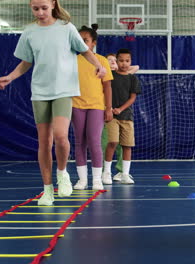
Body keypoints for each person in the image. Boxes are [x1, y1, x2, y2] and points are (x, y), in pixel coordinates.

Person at [0, 0, 106, 206]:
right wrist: (10, 77)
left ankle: (62, 172)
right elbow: (26, 62)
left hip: (64, 90)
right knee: (44, 143)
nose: (40, 12)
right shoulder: (29, 32)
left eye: (44, 8)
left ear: (53, 4)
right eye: (35, 9)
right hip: (40, 92)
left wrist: (99, 66)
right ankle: (47, 190)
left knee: (61, 136)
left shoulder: (66, 28)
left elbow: (84, 50)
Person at [72, 24, 113, 190]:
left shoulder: (101, 61)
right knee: (79, 141)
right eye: (79, 40)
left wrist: (108, 108)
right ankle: (82, 179)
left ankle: (97, 178)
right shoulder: (71, 59)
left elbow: (107, 87)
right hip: (76, 105)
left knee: (94, 141)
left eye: (85, 40)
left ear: (93, 43)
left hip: (96, 106)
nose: (82, 43)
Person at [102, 49, 141, 184]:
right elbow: (105, 92)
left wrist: (120, 109)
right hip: (111, 116)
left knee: (127, 145)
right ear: (116, 61)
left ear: (130, 62)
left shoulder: (132, 78)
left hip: (127, 116)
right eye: (121, 60)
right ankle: (106, 172)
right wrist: (109, 108)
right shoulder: (110, 76)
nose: (124, 63)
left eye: (127, 61)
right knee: (112, 142)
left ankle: (125, 174)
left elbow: (132, 98)